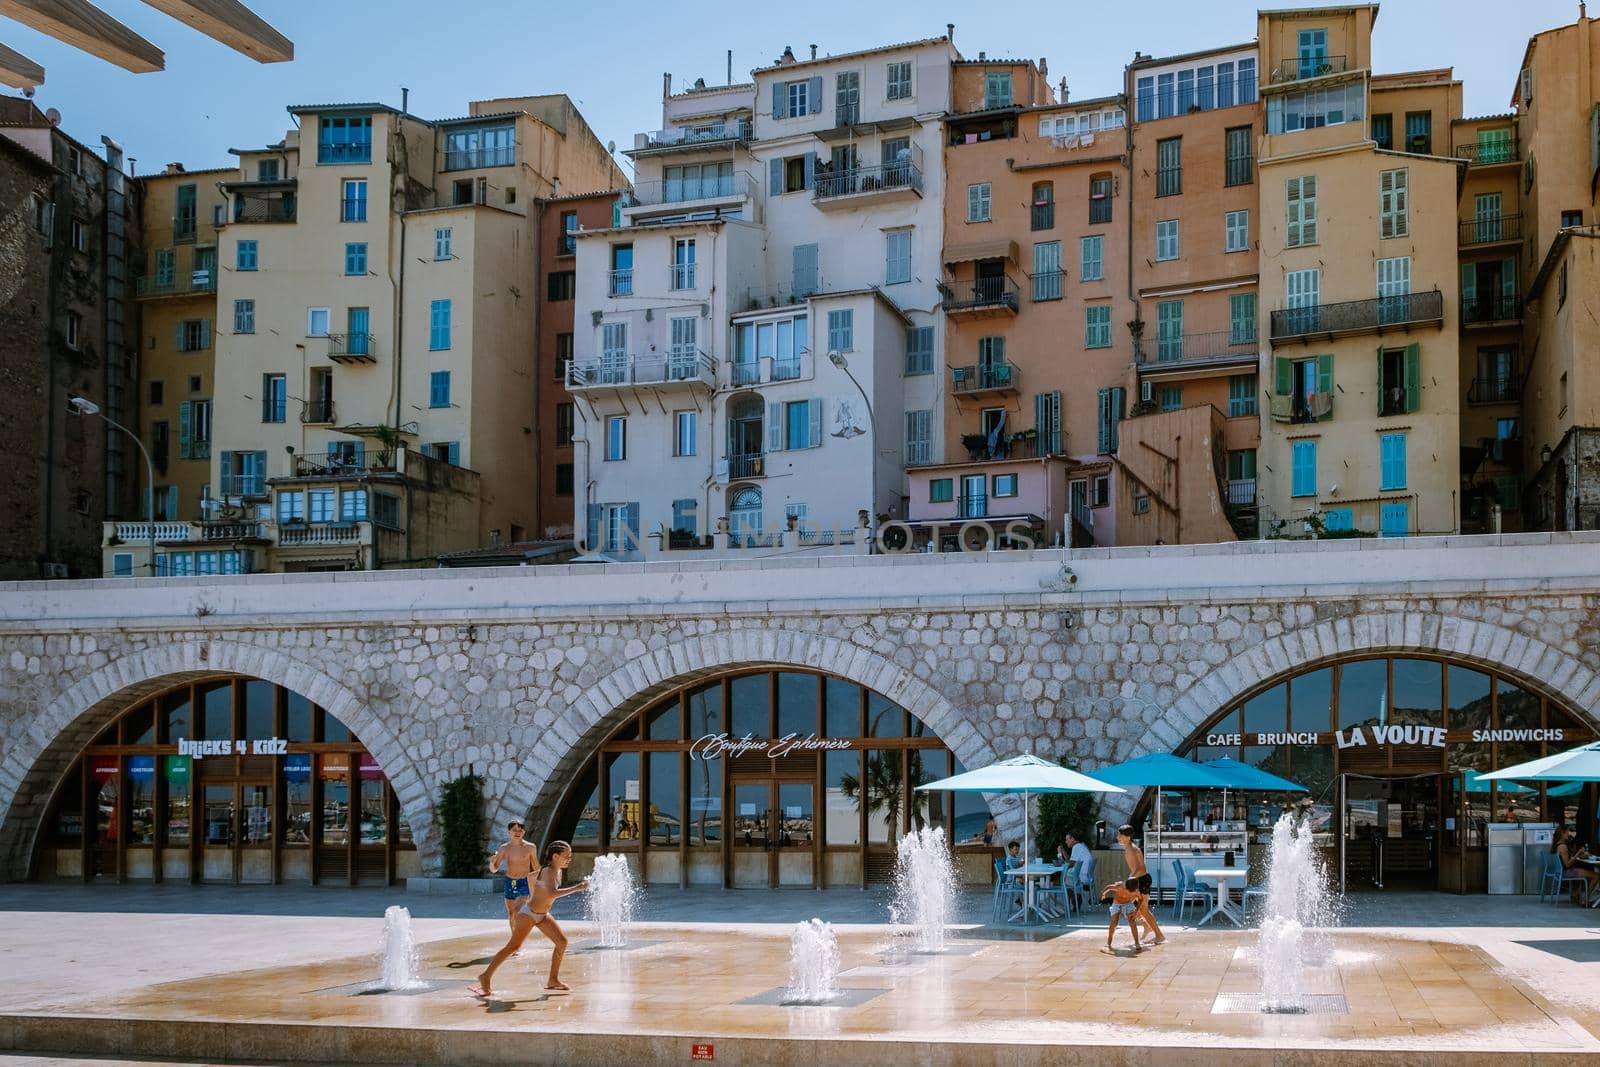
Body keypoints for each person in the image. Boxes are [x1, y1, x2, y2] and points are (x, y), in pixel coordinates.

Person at [470, 840, 590, 998]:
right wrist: (577, 888)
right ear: (555, 856)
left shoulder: (555, 871)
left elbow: (530, 878)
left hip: (542, 915)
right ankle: (485, 976)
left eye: (570, 856)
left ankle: (553, 980)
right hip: (529, 915)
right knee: (513, 947)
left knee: (561, 942)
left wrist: (527, 895)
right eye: (566, 856)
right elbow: (552, 893)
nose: (569, 858)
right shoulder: (548, 871)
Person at [1116, 823, 1166, 945]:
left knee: (1143, 910)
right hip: (1138, 880)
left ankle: (1159, 935)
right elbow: (1136, 868)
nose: (1118, 837)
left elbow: (1141, 868)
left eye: (1120, 835)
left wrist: (1130, 879)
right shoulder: (1129, 848)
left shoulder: (1133, 849)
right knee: (1131, 907)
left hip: (1142, 880)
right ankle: (1146, 926)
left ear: (1127, 837)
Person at [488, 820, 541, 933]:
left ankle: (518, 940)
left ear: (524, 832)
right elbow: (494, 869)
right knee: (512, 913)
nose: (517, 832)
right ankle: (515, 939)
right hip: (510, 882)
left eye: (520, 830)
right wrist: (492, 863)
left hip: (524, 882)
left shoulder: (530, 847)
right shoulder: (504, 848)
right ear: (509, 832)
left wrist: (539, 882)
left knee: (517, 911)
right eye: (514, 830)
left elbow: (536, 867)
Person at [1553, 826, 1600, 906]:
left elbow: (1567, 860)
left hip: (1562, 872)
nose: (1569, 834)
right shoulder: (1563, 847)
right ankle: (1585, 899)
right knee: (1596, 876)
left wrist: (1576, 854)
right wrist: (1578, 853)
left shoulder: (1557, 845)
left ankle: (1575, 894)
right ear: (1562, 834)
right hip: (1566, 872)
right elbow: (1567, 864)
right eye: (1568, 832)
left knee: (1587, 871)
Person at [1100, 878, 1145, 954]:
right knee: (1114, 922)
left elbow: (1140, 900)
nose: (1130, 892)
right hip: (1117, 904)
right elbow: (1108, 887)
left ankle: (1137, 943)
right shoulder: (1119, 886)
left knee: (1132, 921)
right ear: (1126, 887)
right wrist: (1103, 893)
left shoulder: (1136, 891)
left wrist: (1136, 912)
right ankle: (1108, 943)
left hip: (1128, 904)